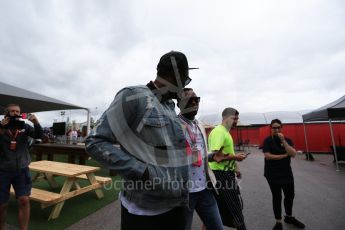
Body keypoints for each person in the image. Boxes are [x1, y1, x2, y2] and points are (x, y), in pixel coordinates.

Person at [86, 51, 197, 230]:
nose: (184, 86)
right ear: (177, 75)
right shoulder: (133, 96)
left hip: (177, 205)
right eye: (186, 80)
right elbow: (95, 142)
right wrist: (143, 171)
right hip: (145, 214)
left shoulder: (169, 107)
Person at [177, 88, 223, 230]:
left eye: (197, 99)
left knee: (217, 227)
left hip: (205, 189)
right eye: (189, 100)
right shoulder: (173, 125)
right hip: (184, 193)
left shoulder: (200, 125)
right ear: (179, 104)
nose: (194, 102)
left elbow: (201, 154)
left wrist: (212, 156)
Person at [0, 104, 43, 230]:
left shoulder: (25, 127)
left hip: (22, 169)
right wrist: (1, 128)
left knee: (24, 200)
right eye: (12, 111)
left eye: (17, 111)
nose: (15, 113)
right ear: (6, 114)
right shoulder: (1, 127)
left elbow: (38, 135)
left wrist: (36, 123)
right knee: (1, 205)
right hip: (2, 171)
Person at [207, 107, 247, 230]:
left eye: (237, 118)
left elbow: (226, 152)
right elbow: (215, 156)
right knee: (235, 210)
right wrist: (236, 157)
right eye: (234, 118)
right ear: (225, 118)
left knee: (215, 210)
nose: (236, 121)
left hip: (224, 173)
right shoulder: (219, 131)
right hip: (221, 175)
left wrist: (236, 167)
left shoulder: (225, 132)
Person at [262, 119, 305, 230]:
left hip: (286, 173)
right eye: (274, 128)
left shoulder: (288, 140)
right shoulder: (267, 141)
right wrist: (284, 156)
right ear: (271, 129)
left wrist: (283, 141)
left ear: (282, 128)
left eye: (278, 127)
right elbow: (268, 156)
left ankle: (289, 217)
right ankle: (278, 222)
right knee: (277, 197)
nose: (276, 129)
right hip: (272, 174)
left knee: (290, 196)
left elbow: (293, 154)